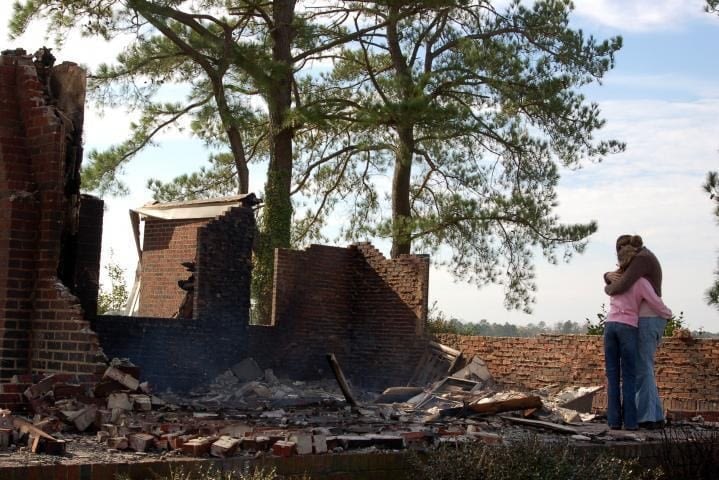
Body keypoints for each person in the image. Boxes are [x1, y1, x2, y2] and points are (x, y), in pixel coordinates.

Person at [603, 243, 672, 430]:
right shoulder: (638, 279)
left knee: (617, 374)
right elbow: (654, 299)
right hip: (630, 325)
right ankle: (638, 420)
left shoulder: (637, 265)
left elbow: (621, 286)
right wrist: (668, 314)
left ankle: (619, 420)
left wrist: (608, 281)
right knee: (635, 372)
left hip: (612, 325)